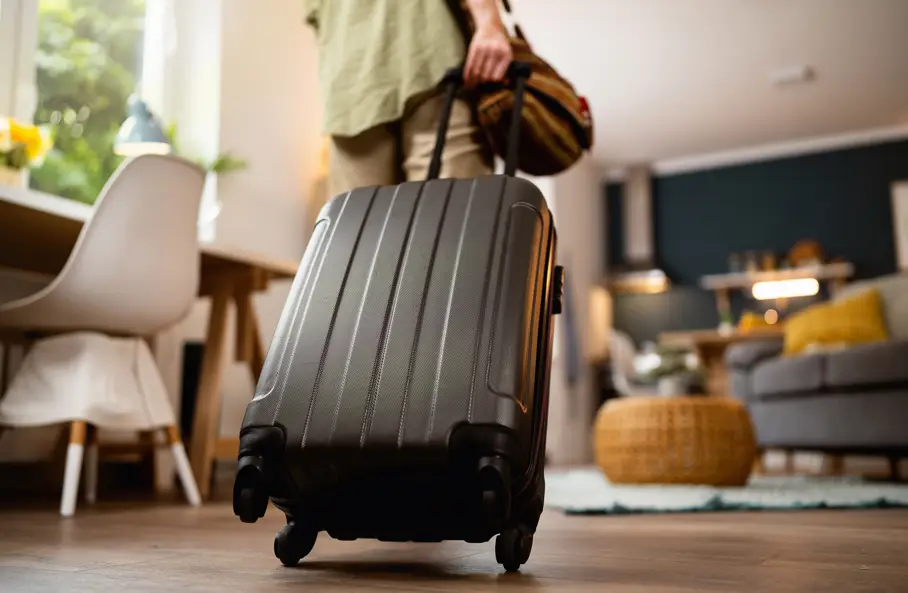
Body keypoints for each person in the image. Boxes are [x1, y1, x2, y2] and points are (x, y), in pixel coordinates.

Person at [304, 0, 514, 197]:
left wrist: (488, 23)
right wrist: (488, 22)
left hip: (364, 75)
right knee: (450, 224)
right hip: (422, 58)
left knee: (361, 228)